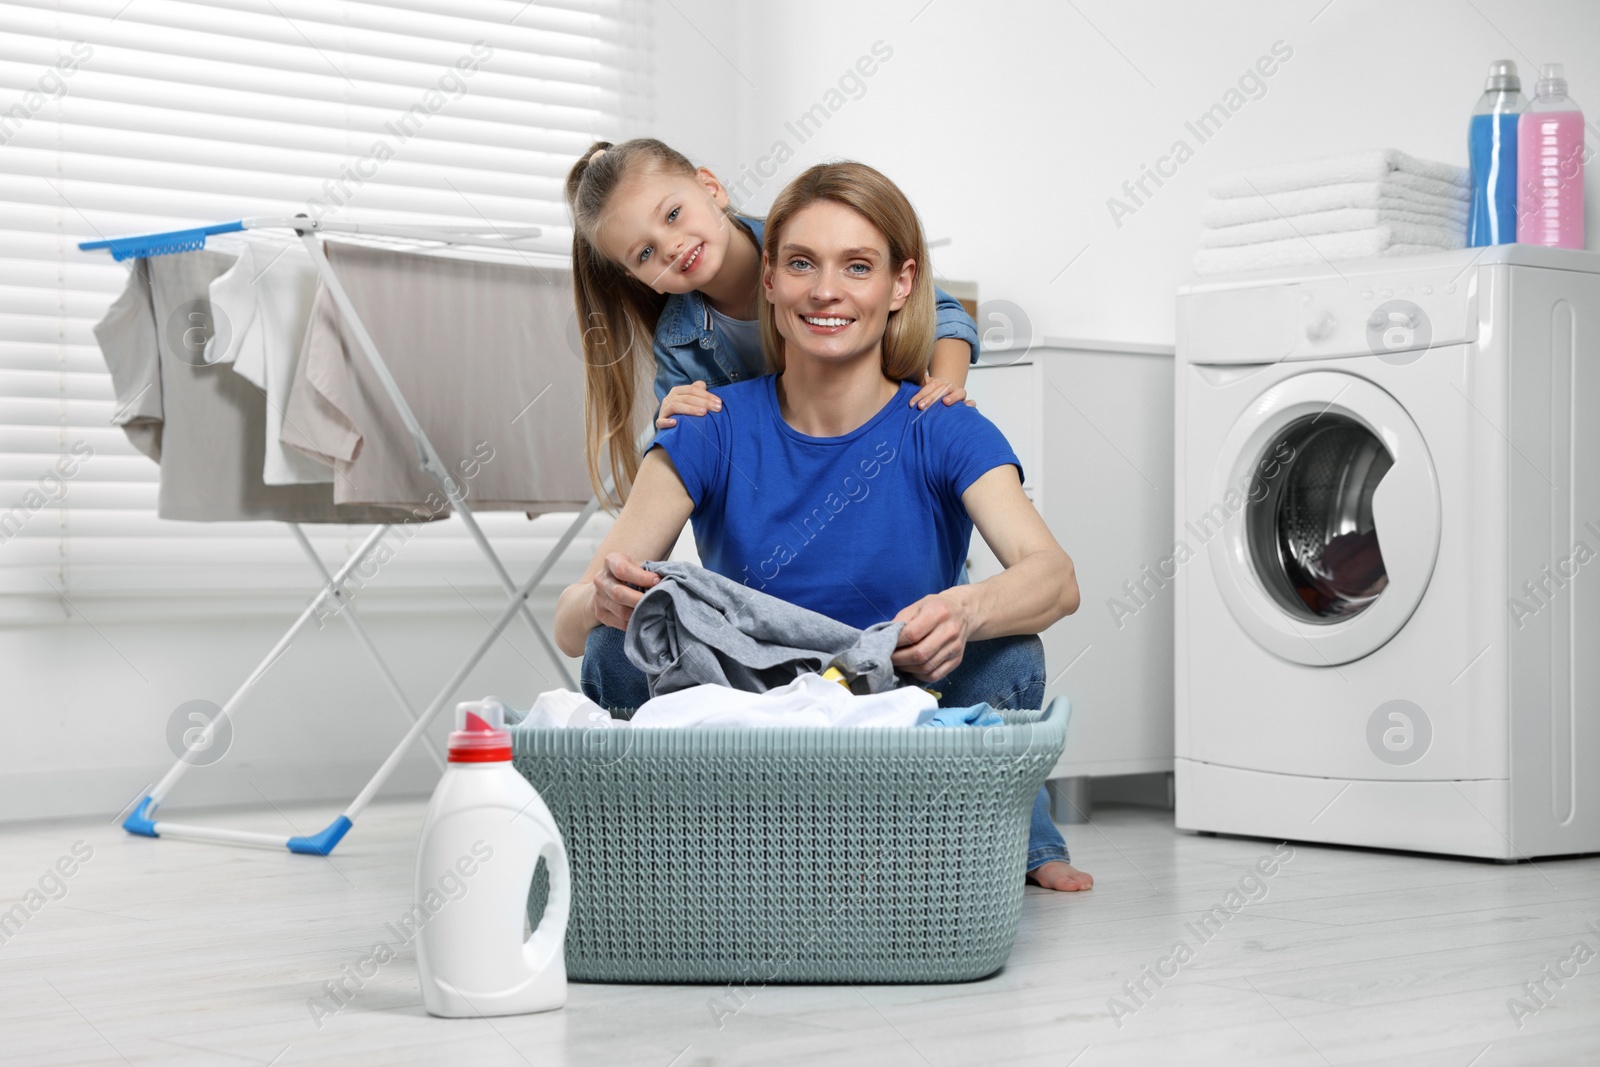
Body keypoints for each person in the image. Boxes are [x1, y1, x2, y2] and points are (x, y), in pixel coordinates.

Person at [554, 161, 1091, 892]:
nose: (826, 290)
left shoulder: (942, 424)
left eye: (857, 266)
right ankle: (650, 860)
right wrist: (603, 600)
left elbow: (1055, 578)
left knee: (1009, 658)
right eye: (802, 263)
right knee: (614, 647)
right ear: (769, 279)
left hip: (898, 709)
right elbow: (570, 620)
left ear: (901, 285)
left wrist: (966, 609)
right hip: (747, 720)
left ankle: (976, 846)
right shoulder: (706, 423)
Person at [564, 138, 980, 506]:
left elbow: (944, 314)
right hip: (791, 487)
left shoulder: (803, 237)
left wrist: (944, 392)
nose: (670, 247)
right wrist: (674, 413)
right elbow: (689, 447)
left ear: (711, 188)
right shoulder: (677, 344)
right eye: (644, 254)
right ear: (637, 279)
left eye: (673, 215)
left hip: (877, 453)